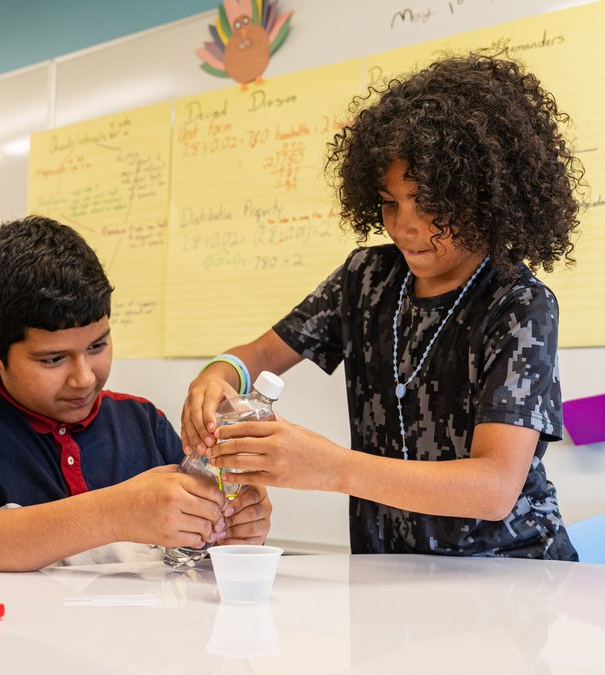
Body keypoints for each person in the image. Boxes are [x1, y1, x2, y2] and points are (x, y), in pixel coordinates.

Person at [182, 52, 580, 560]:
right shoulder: (366, 279)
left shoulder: (519, 306)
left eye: (429, 203)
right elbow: (258, 355)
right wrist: (219, 374)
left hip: (509, 577)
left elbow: (494, 487)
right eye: (390, 202)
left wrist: (328, 466)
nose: (403, 226)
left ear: (484, 197)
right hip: (388, 573)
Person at [0, 215, 272, 577]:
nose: (84, 378)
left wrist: (231, 528)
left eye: (98, 346)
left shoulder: (141, 422)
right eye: (52, 359)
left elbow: (187, 557)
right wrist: (115, 513)